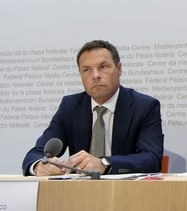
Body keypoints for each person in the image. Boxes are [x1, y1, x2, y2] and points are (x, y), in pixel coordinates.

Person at [22, 40, 164, 176]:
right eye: (87, 70)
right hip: (80, 192)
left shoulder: (144, 106)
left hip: (125, 191)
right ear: (80, 75)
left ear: (119, 69)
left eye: (103, 67)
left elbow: (151, 159)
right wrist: (39, 166)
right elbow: (35, 154)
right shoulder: (70, 106)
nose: (95, 76)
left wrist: (104, 164)